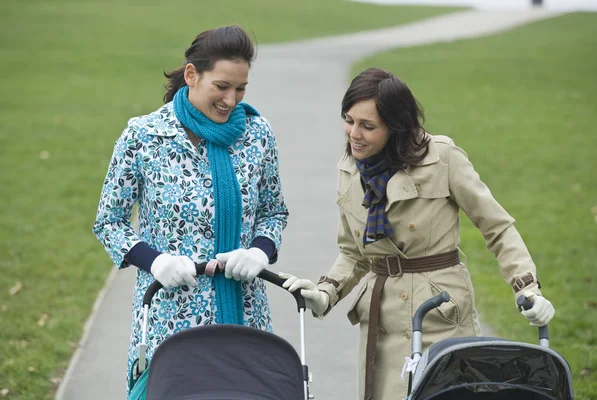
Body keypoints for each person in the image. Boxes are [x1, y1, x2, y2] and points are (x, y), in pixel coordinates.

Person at [279, 67, 555, 400]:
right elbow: (354, 252)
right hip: (379, 320)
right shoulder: (349, 168)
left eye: (368, 126)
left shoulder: (442, 158)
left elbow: (496, 226)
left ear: (396, 128)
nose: (354, 134)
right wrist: (325, 293)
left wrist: (527, 288)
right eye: (349, 120)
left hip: (439, 311)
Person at [92, 25, 289, 395]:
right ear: (191, 75)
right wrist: (155, 261)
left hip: (246, 316)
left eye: (241, 88)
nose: (232, 100)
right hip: (170, 317)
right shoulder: (143, 136)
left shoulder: (258, 133)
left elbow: (273, 211)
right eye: (222, 86)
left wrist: (259, 251)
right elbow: (110, 222)